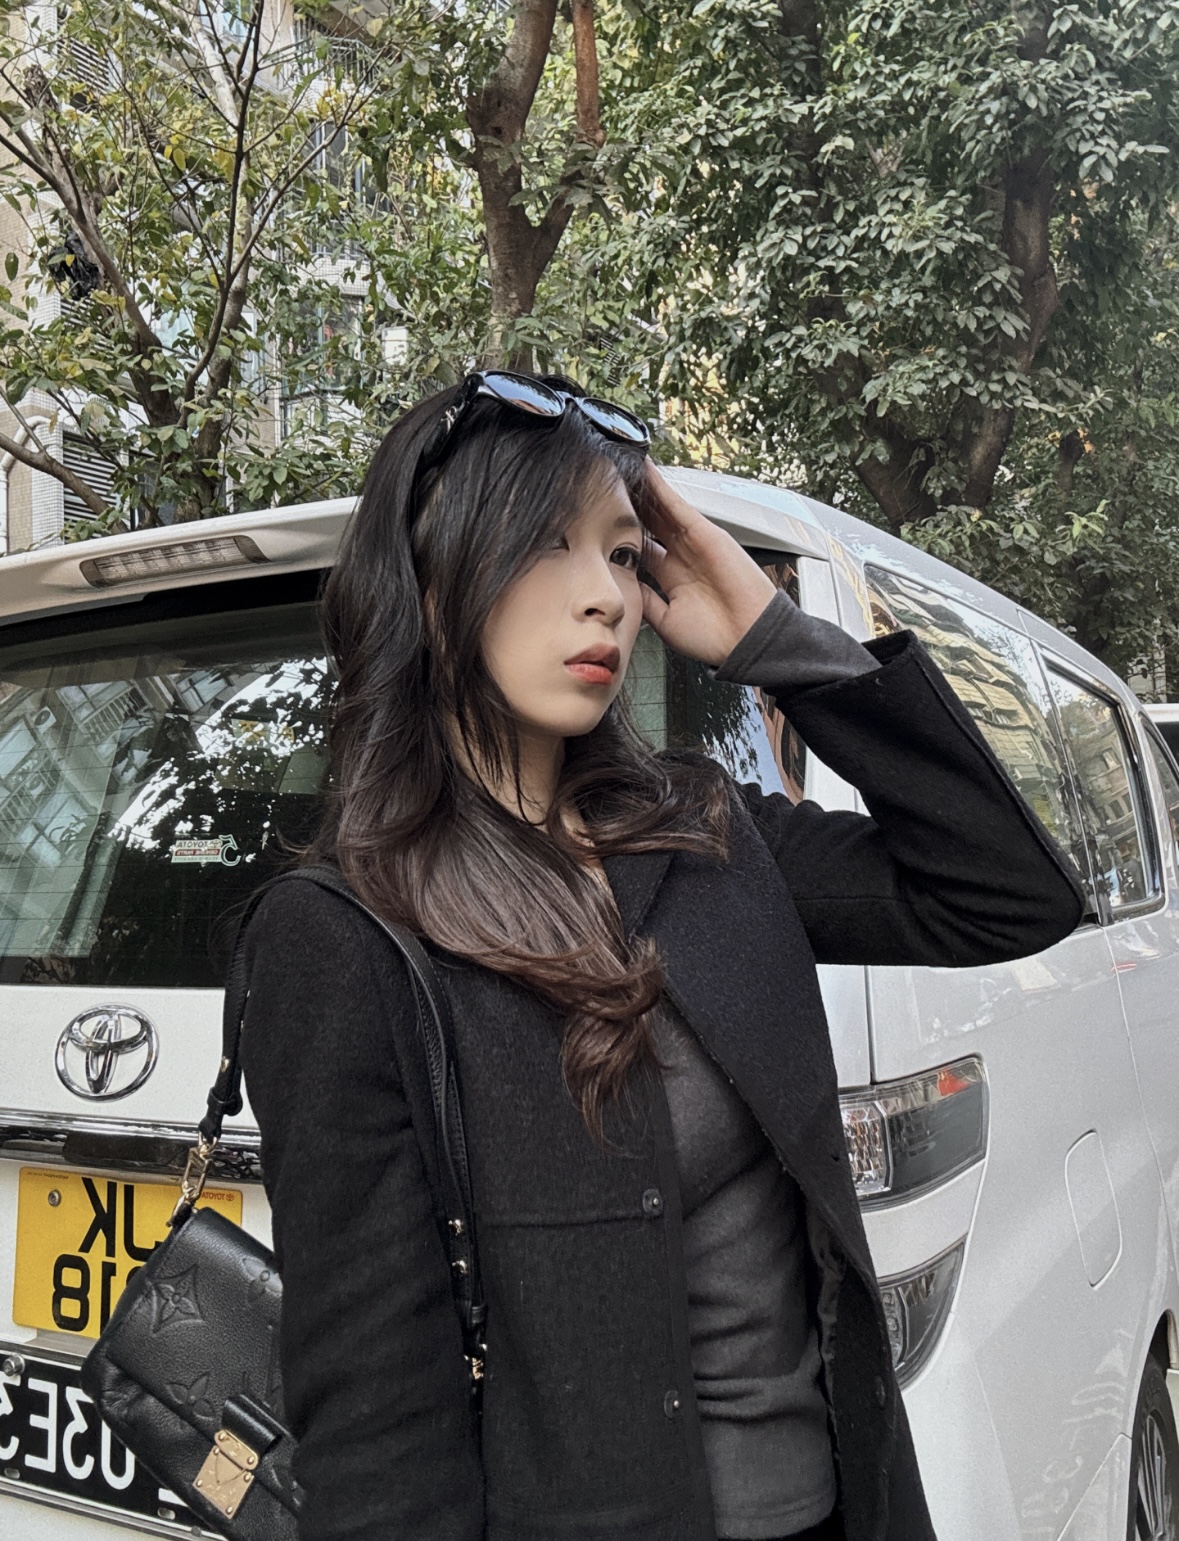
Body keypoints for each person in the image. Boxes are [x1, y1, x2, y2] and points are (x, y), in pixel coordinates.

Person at [240, 372, 1084, 1541]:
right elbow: (380, 1439)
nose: (608, 594)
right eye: (551, 542)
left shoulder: (704, 831)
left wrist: (770, 638)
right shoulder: (346, 936)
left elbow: (1007, 892)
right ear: (434, 577)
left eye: (627, 554)